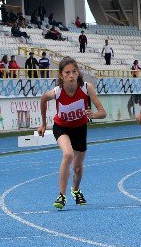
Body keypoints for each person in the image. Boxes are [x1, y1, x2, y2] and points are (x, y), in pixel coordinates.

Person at [37, 57, 107, 209]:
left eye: (74, 72)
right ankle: (61, 196)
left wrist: (93, 115)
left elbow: (103, 113)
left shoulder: (86, 88)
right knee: (67, 154)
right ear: (61, 75)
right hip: (61, 127)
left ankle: (75, 190)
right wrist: (43, 123)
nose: (71, 75)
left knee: (77, 168)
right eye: (67, 72)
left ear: (78, 73)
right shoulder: (57, 92)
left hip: (80, 128)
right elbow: (43, 99)